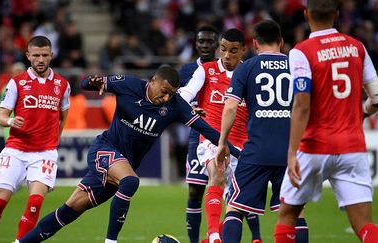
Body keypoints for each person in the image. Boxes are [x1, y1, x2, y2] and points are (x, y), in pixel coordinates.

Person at [18, 66, 241, 243]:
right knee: (131, 180)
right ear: (153, 82)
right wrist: (91, 82)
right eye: (163, 92)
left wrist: (239, 152)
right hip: (104, 150)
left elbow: (207, 130)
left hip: (122, 163)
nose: (166, 98)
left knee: (69, 210)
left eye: (171, 94)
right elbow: (86, 84)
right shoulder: (129, 85)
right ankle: (111, 241)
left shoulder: (176, 105)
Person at [273, 1, 378, 243]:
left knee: (287, 217)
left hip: (314, 147)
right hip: (352, 147)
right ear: (336, 15)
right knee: (365, 225)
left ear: (306, 15)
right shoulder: (357, 47)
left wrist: (292, 152)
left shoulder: (301, 52)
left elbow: (302, 104)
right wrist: (361, 113)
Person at [215, 20, 308, 243]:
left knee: (235, 208)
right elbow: (307, 106)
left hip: (256, 151)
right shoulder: (296, 67)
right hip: (290, 153)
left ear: (255, 43)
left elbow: (230, 107)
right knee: (295, 213)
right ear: (282, 42)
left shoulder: (246, 68)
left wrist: (222, 143)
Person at [0, 36, 70, 243]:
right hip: (16, 149)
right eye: (36, 55)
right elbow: (0, 116)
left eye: (44, 55)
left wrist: (54, 141)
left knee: (35, 201)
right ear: (28, 56)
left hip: (45, 152)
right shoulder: (16, 83)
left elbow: (63, 117)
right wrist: (10, 122)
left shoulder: (62, 85)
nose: (40, 59)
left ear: (51, 56)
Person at [179, 28, 247, 243]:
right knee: (216, 173)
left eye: (233, 51)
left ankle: (211, 238)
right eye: (224, 50)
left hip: (242, 143)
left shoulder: (250, 73)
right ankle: (215, 236)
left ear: (243, 51)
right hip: (211, 139)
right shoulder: (206, 70)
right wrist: (189, 106)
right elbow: (186, 93)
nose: (227, 56)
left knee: (235, 200)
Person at [178, 25, 219, 243]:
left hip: (223, 136)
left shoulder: (226, 69)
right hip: (197, 138)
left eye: (209, 41)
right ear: (196, 43)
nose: (205, 45)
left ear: (217, 44)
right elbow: (174, 101)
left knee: (231, 190)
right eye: (201, 41)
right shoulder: (185, 71)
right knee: (195, 191)